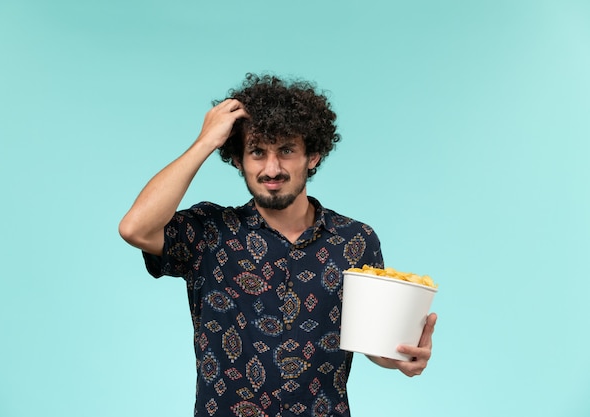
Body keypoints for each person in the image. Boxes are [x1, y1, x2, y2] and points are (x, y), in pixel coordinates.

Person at [119, 73, 437, 417]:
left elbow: (373, 341)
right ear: (238, 159)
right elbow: (135, 228)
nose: (272, 169)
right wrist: (204, 143)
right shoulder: (208, 232)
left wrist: (399, 357)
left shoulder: (355, 241)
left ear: (312, 156)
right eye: (257, 152)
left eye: (286, 150)